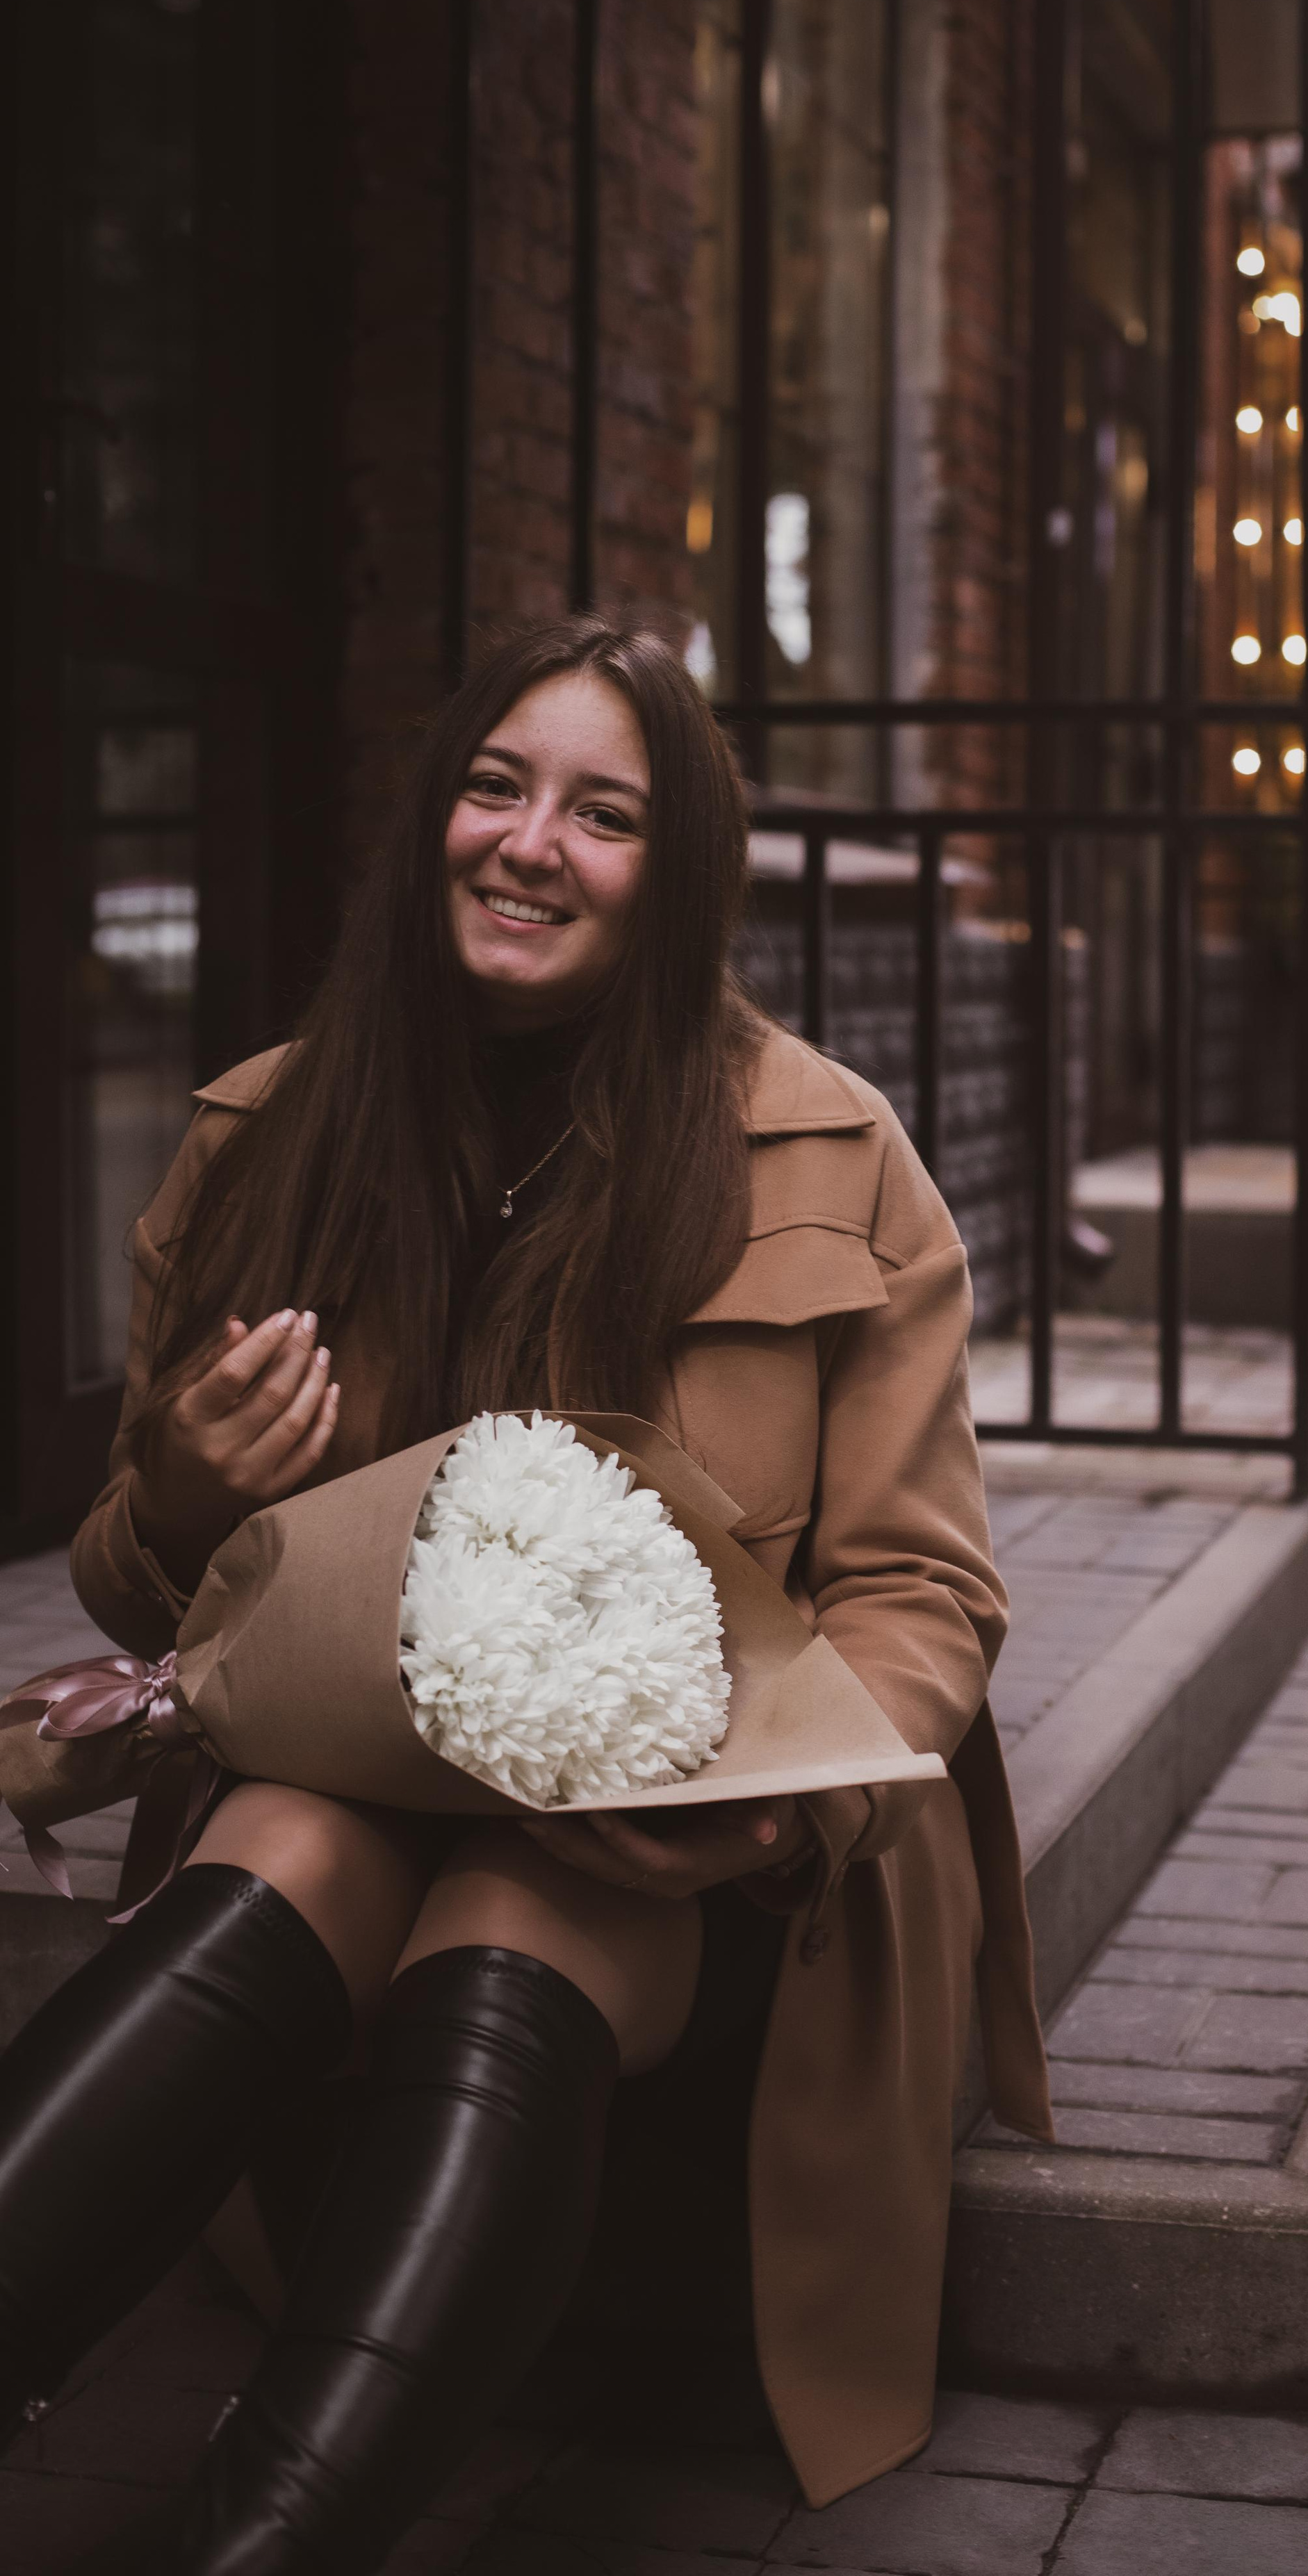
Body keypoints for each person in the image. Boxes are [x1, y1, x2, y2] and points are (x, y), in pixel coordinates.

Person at [0, 618, 1051, 2572]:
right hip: (348, 1785)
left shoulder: (828, 1151)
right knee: (296, 1836)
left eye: (605, 812)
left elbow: (921, 1593)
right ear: (433, 824)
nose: (529, 842)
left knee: (522, 1889)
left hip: (685, 1852)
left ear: (682, 878)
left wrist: (778, 1791)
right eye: (494, 785)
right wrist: (179, 1488)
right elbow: (150, 1601)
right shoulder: (262, 1135)